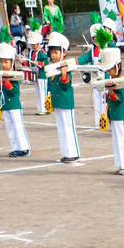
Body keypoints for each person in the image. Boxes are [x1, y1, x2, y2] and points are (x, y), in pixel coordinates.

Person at [97, 47, 124, 175]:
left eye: (111, 69)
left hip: (121, 115)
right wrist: (108, 94)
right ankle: (120, 164)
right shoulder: (113, 80)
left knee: (123, 139)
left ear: (118, 66)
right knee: (116, 140)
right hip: (114, 114)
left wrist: (112, 92)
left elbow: (121, 99)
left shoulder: (122, 81)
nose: (109, 72)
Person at [0, 43, 31, 157]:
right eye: (1, 62)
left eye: (6, 62)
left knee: (18, 127)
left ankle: (24, 148)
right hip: (5, 105)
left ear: (11, 62)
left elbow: (14, 91)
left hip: (14, 106)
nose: (3, 65)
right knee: (10, 127)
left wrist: (6, 82)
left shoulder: (14, 75)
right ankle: (15, 147)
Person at [47, 32, 80, 163]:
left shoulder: (66, 66)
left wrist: (64, 74)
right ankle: (66, 153)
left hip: (66, 102)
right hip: (57, 101)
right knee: (61, 128)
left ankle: (74, 153)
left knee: (68, 127)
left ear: (64, 52)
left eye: (56, 52)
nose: (54, 55)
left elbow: (66, 85)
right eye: (52, 53)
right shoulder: (52, 68)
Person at [77, 21, 106, 128]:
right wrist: (74, 62)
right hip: (95, 78)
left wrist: (102, 62)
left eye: (98, 37)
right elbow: (84, 58)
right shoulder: (92, 50)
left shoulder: (108, 46)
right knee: (97, 99)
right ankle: (98, 122)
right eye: (94, 38)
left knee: (105, 99)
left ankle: (106, 120)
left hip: (105, 78)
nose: (96, 40)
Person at [21, 23, 48, 116]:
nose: (33, 46)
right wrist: (23, 62)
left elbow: (46, 64)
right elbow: (30, 62)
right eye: (31, 44)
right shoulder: (31, 52)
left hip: (42, 76)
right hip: (35, 76)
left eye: (34, 44)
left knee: (42, 93)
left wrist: (39, 63)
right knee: (38, 93)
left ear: (38, 43)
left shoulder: (42, 53)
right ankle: (40, 108)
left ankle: (45, 108)